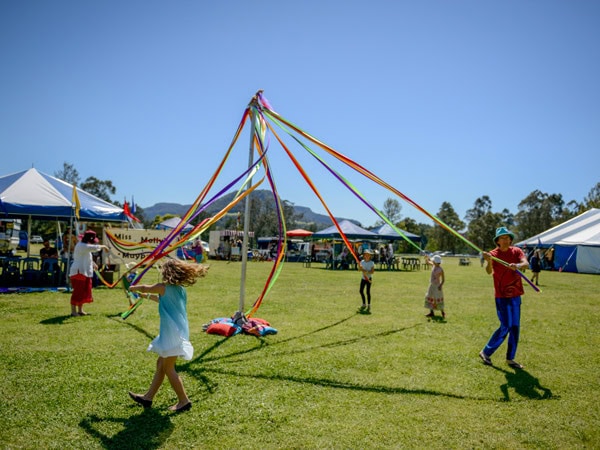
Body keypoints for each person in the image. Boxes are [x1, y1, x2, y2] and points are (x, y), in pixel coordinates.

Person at [128, 259, 209, 413]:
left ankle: (184, 401)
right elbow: (161, 299)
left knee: (168, 367)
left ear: (166, 273)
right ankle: (148, 398)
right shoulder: (179, 290)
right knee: (161, 364)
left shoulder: (162, 287)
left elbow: (147, 287)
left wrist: (134, 287)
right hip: (175, 331)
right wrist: (144, 296)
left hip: (172, 333)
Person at [480, 227, 529, 369]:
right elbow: (489, 272)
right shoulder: (493, 254)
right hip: (502, 296)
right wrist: (488, 261)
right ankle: (486, 352)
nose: (505, 240)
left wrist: (518, 265)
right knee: (506, 325)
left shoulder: (516, 251)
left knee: (515, 327)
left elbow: (526, 263)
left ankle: (510, 358)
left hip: (515, 294)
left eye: (507, 237)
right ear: (497, 241)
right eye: (502, 238)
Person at [68, 230, 108, 316]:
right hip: (79, 271)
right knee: (78, 291)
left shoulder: (85, 246)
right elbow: (93, 248)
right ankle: (73, 311)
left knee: (83, 291)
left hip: (84, 271)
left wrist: (93, 264)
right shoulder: (82, 246)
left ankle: (80, 310)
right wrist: (104, 246)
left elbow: (87, 257)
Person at [424, 254, 445, 318]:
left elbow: (443, 279)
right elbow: (427, 262)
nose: (433, 262)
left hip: (437, 286)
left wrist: (440, 285)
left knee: (437, 298)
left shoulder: (441, 270)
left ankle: (442, 312)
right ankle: (431, 312)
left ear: (436, 262)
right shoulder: (433, 265)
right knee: (430, 296)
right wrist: (426, 258)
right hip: (432, 285)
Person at [359, 249, 375, 313]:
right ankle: (364, 303)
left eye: (368, 255)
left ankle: (369, 304)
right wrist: (360, 268)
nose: (367, 256)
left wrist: (367, 272)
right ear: (364, 255)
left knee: (368, 292)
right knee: (361, 291)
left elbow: (372, 271)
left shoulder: (371, 263)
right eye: (366, 255)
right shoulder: (362, 262)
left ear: (370, 256)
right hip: (363, 279)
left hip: (369, 279)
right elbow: (359, 270)